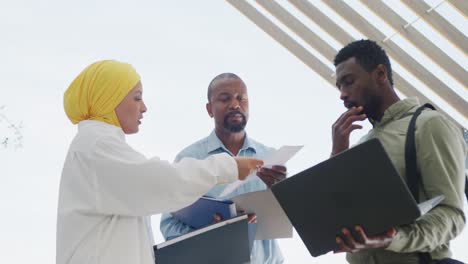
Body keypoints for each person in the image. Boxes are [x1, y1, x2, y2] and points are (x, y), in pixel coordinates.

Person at [56, 61, 263, 264]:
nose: (144, 108)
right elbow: (161, 181)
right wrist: (229, 167)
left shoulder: (98, 145)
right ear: (109, 99)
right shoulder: (96, 145)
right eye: (137, 98)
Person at [331, 39, 466, 263]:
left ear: (381, 74)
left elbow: (451, 216)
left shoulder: (429, 124)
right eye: (340, 86)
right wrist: (337, 154)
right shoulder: (361, 145)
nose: (343, 94)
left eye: (349, 81)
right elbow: (340, 217)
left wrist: (392, 239)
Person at [160, 73, 286, 263]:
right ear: (209, 109)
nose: (235, 104)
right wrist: (208, 234)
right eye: (225, 98)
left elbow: (288, 218)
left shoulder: (270, 157)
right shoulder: (189, 159)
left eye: (241, 98)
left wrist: (284, 191)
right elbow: (169, 225)